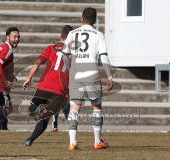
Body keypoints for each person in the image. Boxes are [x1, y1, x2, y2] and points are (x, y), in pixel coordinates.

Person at [62, 8, 113, 150]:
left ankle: (72, 143)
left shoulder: (72, 33)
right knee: (96, 106)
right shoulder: (98, 34)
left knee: (74, 107)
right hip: (91, 74)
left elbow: (65, 54)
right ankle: (97, 141)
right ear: (95, 20)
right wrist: (109, 75)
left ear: (81, 19)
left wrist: (71, 68)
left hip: (76, 74)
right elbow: (103, 55)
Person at [23, 25, 73, 146]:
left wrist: (29, 78)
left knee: (32, 111)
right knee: (46, 117)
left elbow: (38, 62)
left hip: (44, 86)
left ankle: (32, 133)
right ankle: (30, 139)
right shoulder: (74, 52)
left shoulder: (51, 48)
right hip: (60, 90)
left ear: (61, 36)